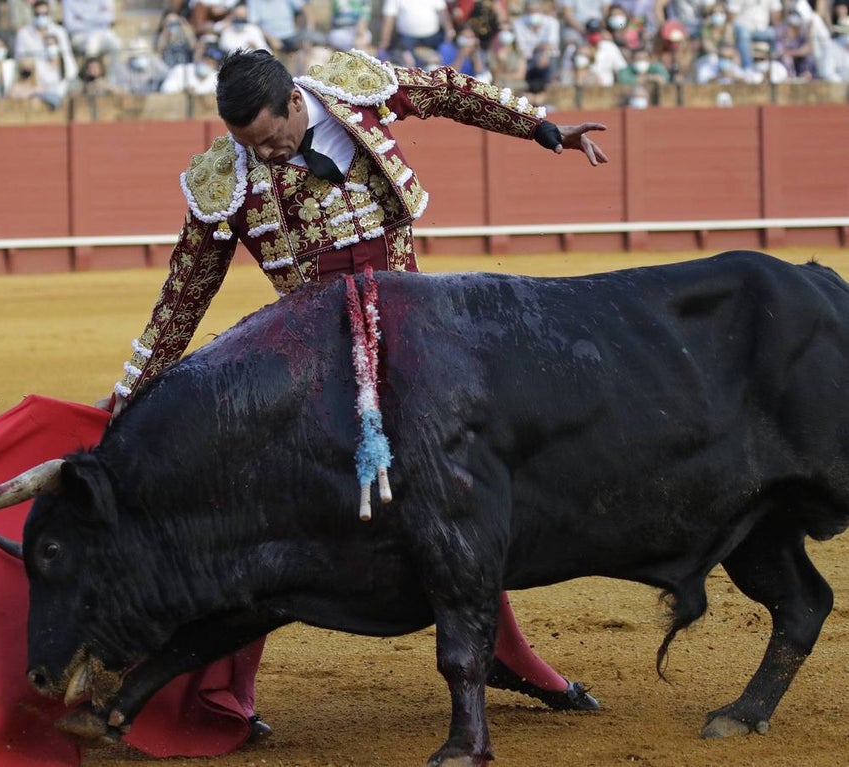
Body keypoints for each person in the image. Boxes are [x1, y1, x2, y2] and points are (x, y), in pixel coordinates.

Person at [109, 49, 609, 730]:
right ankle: (216, 694)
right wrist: (131, 388)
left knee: (460, 489)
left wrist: (543, 128)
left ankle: (503, 650)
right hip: (317, 357)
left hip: (416, 341)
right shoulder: (227, 177)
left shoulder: (353, 91)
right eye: (248, 146)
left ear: (293, 103)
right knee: (264, 510)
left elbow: (449, 92)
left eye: (270, 138)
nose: (266, 154)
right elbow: (186, 292)